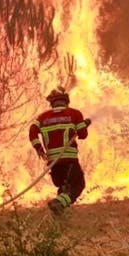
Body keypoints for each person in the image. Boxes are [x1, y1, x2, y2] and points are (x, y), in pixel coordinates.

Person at [29, 86, 91, 214]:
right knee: (77, 185)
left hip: (54, 162)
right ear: (66, 100)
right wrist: (83, 124)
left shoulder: (42, 117)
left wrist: (38, 147)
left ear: (51, 102)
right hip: (69, 160)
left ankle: (59, 214)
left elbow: (32, 131)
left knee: (63, 187)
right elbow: (83, 135)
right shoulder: (74, 114)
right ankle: (58, 203)